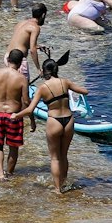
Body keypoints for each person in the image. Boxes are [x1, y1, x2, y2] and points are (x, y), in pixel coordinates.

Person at [34, 57, 91, 191]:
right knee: (63, 155)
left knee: (55, 158)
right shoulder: (65, 82)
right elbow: (85, 91)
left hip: (54, 121)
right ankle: (64, 183)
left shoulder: (42, 88)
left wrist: (17, 114)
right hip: (68, 120)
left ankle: (57, 189)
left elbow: (31, 109)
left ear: (43, 71)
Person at [0, 49, 38, 180]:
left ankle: (0, 173)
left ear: (8, 59)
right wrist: (32, 119)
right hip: (13, 115)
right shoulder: (21, 79)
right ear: (21, 63)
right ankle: (9, 174)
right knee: (13, 147)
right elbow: (26, 101)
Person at [9, 3, 49, 68]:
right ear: (43, 15)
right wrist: (38, 69)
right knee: (22, 78)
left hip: (8, 58)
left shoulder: (21, 23)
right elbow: (32, 50)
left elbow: (20, 42)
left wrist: (37, 46)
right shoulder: (35, 27)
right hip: (18, 61)